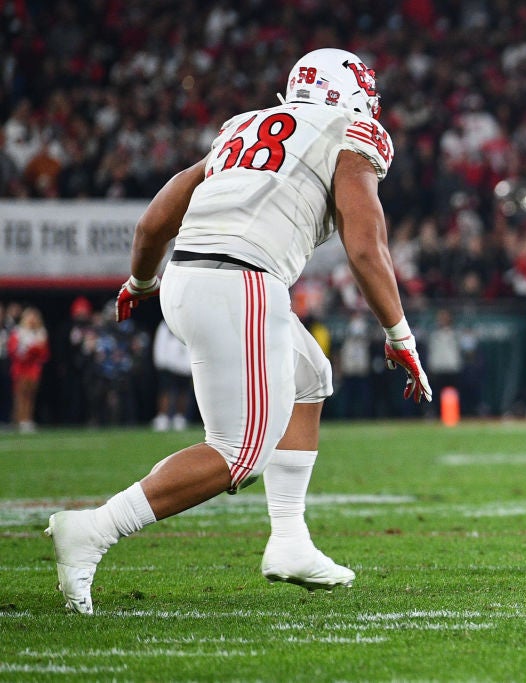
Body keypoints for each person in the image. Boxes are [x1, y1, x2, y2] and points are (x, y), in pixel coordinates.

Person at [46, 47, 433, 614]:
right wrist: (400, 336)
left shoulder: (241, 126)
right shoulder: (352, 130)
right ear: (348, 92)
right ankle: (94, 529)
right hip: (242, 283)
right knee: (240, 452)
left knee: (310, 376)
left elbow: (156, 219)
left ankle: (290, 540)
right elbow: (365, 241)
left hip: (190, 277)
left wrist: (140, 281)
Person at [7, 305, 50, 432]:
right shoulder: (19, 332)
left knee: (31, 395)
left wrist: (35, 352)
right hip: (21, 368)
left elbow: (45, 353)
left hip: (34, 369)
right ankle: (19, 419)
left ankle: (27, 419)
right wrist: (26, 352)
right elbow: (13, 350)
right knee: (20, 395)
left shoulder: (40, 333)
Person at [151, 319, 194, 431]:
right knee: (165, 391)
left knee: (183, 393)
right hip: (168, 365)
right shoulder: (166, 324)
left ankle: (179, 418)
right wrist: (160, 362)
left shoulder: (189, 324)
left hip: (184, 366)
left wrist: (190, 365)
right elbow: (160, 343)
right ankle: (163, 417)